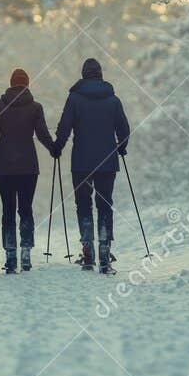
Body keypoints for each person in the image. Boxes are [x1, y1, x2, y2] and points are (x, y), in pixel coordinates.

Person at [52, 58, 130, 274]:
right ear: (100, 74)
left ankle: (88, 253)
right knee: (105, 205)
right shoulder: (113, 100)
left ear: (84, 74)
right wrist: (121, 147)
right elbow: (124, 129)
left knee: (83, 204)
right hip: (107, 162)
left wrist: (57, 146)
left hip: (81, 162)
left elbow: (64, 126)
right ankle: (105, 256)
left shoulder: (75, 98)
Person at [0, 68, 58, 274]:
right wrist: (54, 148)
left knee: (8, 210)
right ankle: (26, 253)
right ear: (27, 84)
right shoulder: (35, 107)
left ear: (11, 84)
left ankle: (10, 256)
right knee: (25, 209)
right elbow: (43, 134)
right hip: (28, 165)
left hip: (4, 166)